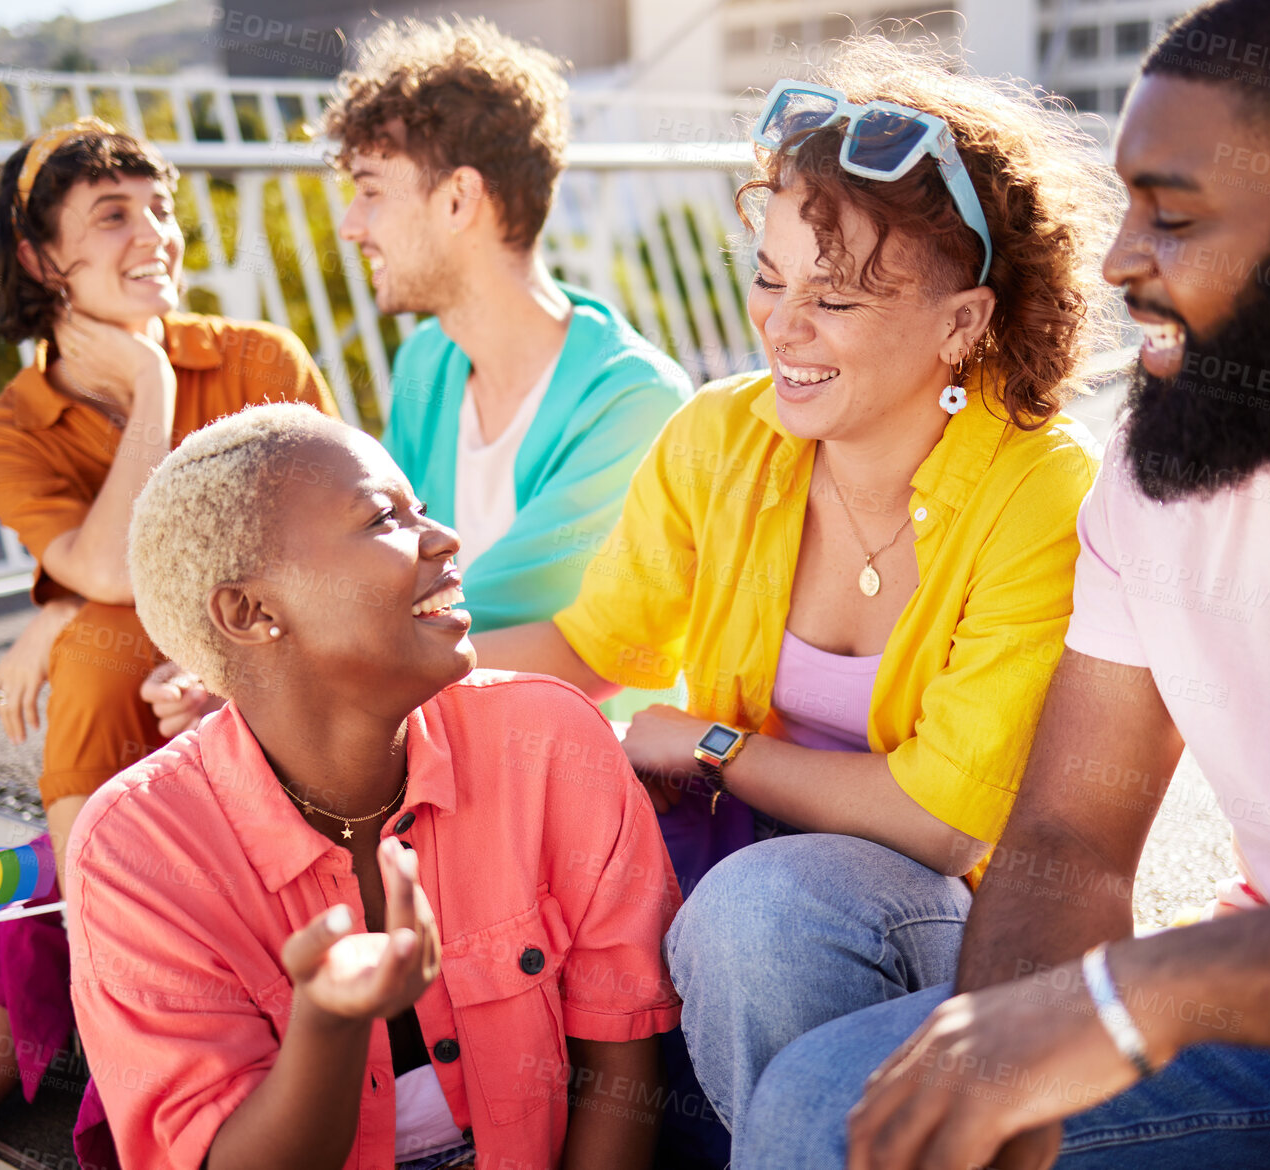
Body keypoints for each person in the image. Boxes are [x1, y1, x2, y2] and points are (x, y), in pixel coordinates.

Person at [737, 2, 1270, 1167]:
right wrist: (1000, 1069)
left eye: (1176, 215)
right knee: (825, 1110)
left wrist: (1143, 994)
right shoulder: (1168, 463)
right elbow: (1069, 838)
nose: (1115, 262)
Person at [470, 33, 1118, 1140]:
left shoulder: (1040, 489)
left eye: (838, 299)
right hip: (734, 869)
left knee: (761, 914)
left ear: (963, 322)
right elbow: (586, 651)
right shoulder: (722, 435)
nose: (781, 325)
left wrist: (717, 750)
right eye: (769, 279)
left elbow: (943, 824)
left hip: (947, 920)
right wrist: (345, 679)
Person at [0, 119, 339, 1170]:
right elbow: (117, 572)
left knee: (53, 876)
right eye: (113, 216)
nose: (155, 233)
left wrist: (207, 662)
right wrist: (154, 392)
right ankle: (104, 928)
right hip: (139, 771)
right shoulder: (12, 431)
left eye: (159, 207)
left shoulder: (260, 361)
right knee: (47, 907)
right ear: (38, 257)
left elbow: (346, 562)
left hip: (284, 715)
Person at [67, 403, 680, 1170]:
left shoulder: (551, 739)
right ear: (252, 612)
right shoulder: (136, 848)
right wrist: (328, 1021)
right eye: (383, 518)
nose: (444, 538)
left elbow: (620, 1075)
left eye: (420, 507)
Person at [142, 15, 690, 737]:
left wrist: (294, 683)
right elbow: (382, 575)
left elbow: (579, 654)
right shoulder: (425, 362)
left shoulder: (638, 403)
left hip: (568, 764)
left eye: (371, 190)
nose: (350, 224)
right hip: (428, 740)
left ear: (459, 199)